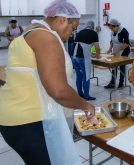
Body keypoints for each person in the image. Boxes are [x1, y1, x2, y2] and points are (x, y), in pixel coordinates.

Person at [0, 0, 96, 164]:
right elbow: (58, 91)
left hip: (14, 119)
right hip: (30, 122)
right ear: (63, 20)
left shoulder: (31, 31)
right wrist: (86, 105)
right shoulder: (46, 38)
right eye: (73, 29)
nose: (71, 34)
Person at [72, 20, 100, 101]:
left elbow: (83, 44)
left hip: (74, 56)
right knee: (86, 77)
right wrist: (98, 56)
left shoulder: (80, 32)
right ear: (93, 27)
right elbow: (97, 47)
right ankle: (87, 96)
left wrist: (91, 53)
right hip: (83, 58)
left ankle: (80, 94)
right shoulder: (93, 33)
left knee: (78, 76)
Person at [104, 19, 130, 89]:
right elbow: (111, 41)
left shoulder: (124, 31)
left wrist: (117, 51)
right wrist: (110, 49)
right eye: (110, 29)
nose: (111, 30)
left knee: (121, 67)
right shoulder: (112, 32)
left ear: (116, 26)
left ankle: (121, 83)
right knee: (114, 66)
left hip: (124, 51)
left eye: (112, 28)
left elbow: (127, 43)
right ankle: (112, 82)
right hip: (116, 50)